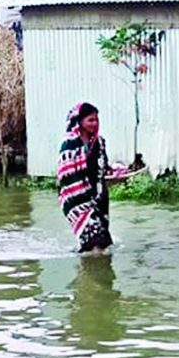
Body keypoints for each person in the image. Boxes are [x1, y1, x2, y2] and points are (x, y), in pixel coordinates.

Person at [57, 102, 114, 253]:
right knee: (93, 240)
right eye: (90, 120)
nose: (94, 124)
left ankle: (94, 272)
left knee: (102, 241)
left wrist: (112, 174)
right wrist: (84, 194)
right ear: (79, 121)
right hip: (77, 199)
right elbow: (65, 176)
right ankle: (90, 273)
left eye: (96, 120)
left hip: (99, 196)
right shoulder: (69, 144)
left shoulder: (99, 143)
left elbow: (104, 167)